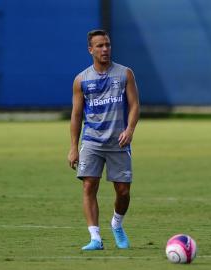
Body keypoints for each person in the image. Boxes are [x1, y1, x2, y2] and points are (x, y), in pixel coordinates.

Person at [67, 29, 140, 251]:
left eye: (107, 44)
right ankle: (95, 238)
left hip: (118, 142)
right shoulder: (81, 80)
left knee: (123, 191)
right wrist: (73, 147)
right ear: (91, 49)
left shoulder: (125, 74)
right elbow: (76, 115)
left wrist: (130, 129)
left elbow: (135, 105)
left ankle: (117, 224)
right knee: (89, 185)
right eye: (99, 46)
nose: (105, 49)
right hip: (92, 141)